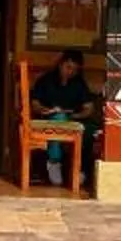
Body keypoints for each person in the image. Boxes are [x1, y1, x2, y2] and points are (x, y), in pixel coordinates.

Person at [28, 49, 101, 187]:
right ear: (61, 64)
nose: (70, 72)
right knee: (58, 118)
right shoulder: (46, 80)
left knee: (90, 130)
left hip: (73, 119)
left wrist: (74, 115)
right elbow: (35, 104)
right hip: (49, 118)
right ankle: (54, 161)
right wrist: (47, 111)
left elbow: (89, 108)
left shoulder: (79, 83)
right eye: (68, 67)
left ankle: (80, 169)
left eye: (74, 69)